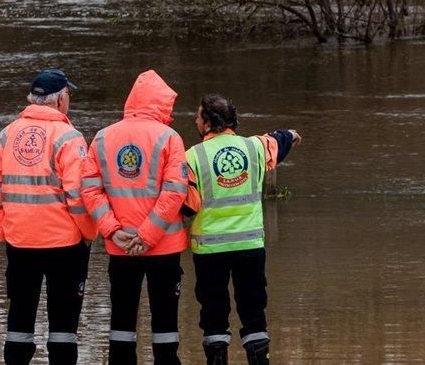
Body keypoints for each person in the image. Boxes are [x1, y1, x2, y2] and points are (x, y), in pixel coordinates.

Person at [0, 68, 96, 365]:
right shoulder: (70, 138)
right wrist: (88, 234)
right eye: (68, 95)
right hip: (65, 245)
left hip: (20, 242)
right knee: (63, 325)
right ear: (59, 101)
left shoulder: (6, 135)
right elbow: (79, 196)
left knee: (19, 318)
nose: (69, 100)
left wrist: (3, 231)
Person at [183, 94, 302, 365]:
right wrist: (292, 134)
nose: (195, 119)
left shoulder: (192, 156)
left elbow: (186, 207)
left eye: (198, 115)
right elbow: (279, 140)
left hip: (210, 249)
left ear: (209, 123)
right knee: (254, 313)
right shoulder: (254, 148)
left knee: (213, 317)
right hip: (249, 247)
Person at [82, 70, 190, 365]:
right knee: (165, 327)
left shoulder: (102, 137)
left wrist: (111, 230)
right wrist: (148, 235)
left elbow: (90, 190)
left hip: (120, 247)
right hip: (162, 248)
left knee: (121, 324)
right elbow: (174, 191)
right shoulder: (170, 137)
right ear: (161, 104)